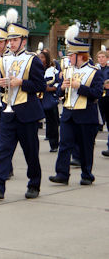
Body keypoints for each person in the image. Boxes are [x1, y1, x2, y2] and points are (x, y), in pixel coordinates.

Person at [0, 8, 45, 200]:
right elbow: (2, 82)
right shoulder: (4, 59)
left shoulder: (32, 59)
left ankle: (34, 184)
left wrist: (21, 83)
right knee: (4, 150)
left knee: (31, 152)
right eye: (9, 40)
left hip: (27, 111)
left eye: (14, 40)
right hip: (8, 111)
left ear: (23, 41)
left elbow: (40, 85)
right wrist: (3, 85)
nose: (10, 43)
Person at [49, 24, 103, 186]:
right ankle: (62, 174)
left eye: (71, 55)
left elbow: (97, 93)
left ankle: (87, 174)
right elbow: (58, 92)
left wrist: (80, 87)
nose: (68, 57)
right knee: (64, 144)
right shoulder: (67, 70)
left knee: (85, 147)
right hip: (68, 112)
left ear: (81, 56)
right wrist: (62, 87)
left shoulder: (94, 71)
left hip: (86, 114)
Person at [38, 50, 59, 152]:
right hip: (37, 97)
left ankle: (54, 144)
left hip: (48, 97)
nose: (41, 59)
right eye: (39, 57)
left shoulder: (52, 70)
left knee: (52, 121)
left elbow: (57, 82)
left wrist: (50, 88)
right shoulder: (36, 68)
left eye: (43, 57)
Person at [97, 48, 109, 157]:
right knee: (96, 122)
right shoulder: (96, 69)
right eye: (99, 57)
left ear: (107, 58)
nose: (101, 59)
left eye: (103, 57)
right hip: (99, 98)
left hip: (108, 97)